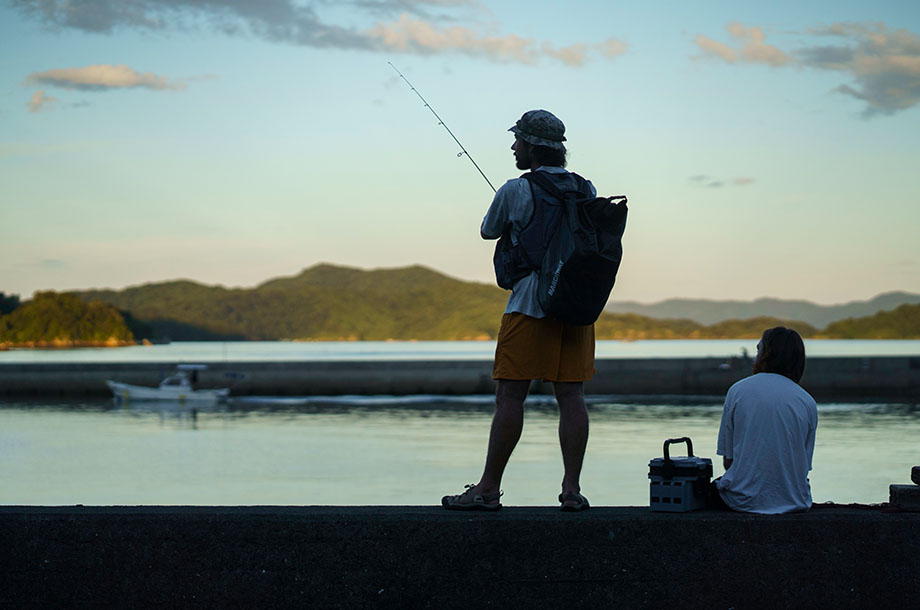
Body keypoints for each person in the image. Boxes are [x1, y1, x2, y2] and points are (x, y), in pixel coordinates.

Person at [441, 109, 597, 512]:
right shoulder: (586, 188)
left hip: (529, 305)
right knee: (572, 396)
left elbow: (488, 230)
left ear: (531, 145)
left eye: (517, 141)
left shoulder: (515, 189)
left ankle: (488, 488)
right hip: (575, 307)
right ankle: (572, 490)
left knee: (510, 396)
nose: (513, 146)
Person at [712, 327, 818, 514]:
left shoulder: (738, 391)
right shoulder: (807, 401)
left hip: (742, 500)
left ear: (767, 355)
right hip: (795, 501)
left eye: (758, 350)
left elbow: (728, 461)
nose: (755, 358)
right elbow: (803, 467)